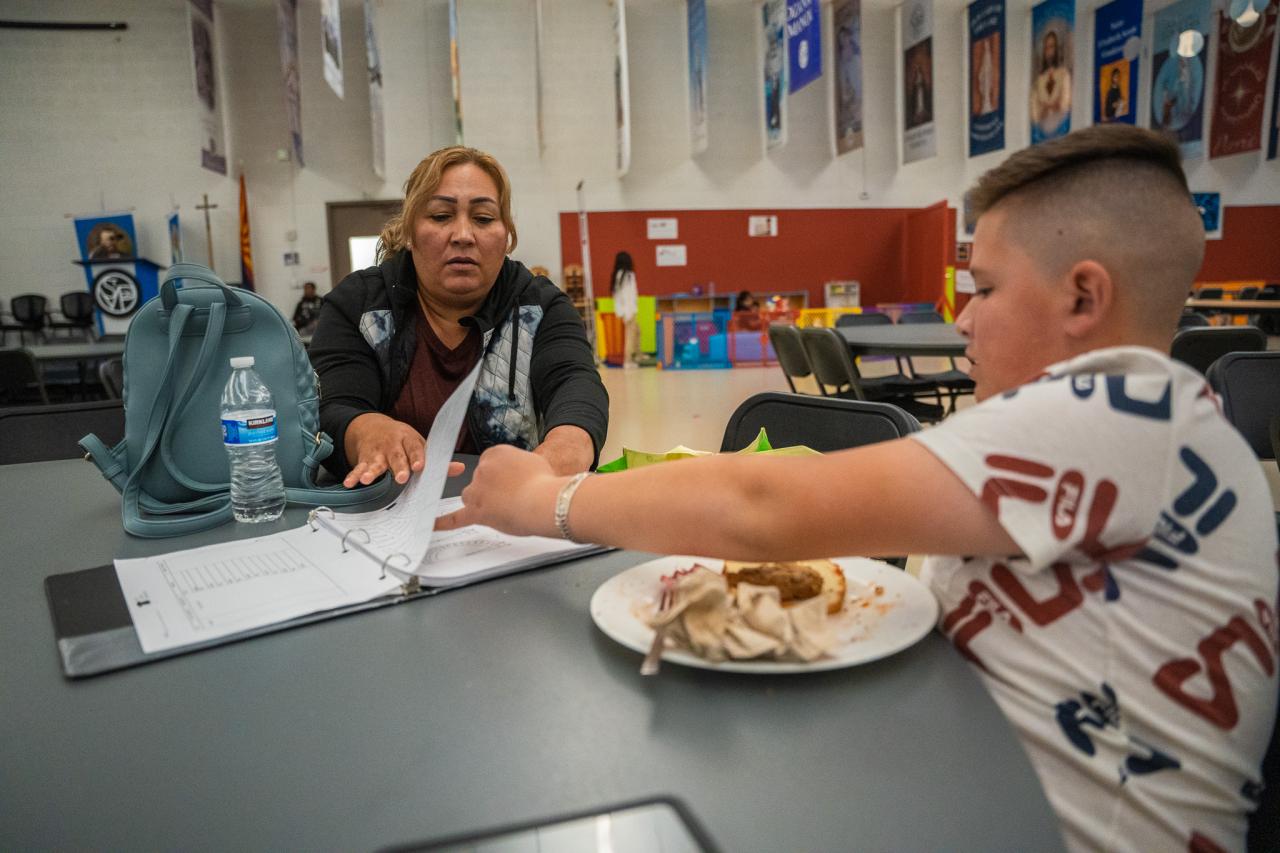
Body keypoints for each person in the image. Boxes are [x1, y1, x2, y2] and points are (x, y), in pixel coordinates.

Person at [439, 126, 1277, 852]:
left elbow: (767, 509)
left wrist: (545, 503)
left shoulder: (1116, 413)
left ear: (1084, 296)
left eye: (983, 288)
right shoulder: (1162, 419)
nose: (964, 320)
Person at [308, 145, 609, 488]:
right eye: (440, 216)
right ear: (409, 232)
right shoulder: (358, 304)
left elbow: (576, 383)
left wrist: (568, 445)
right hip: (383, 513)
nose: (463, 235)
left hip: (510, 508)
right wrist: (365, 430)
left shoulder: (541, 307)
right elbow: (331, 408)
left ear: (506, 235)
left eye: (483, 219)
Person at [1030, 30, 1071, 137]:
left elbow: (1065, 106)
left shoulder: (1064, 74)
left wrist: (1052, 106)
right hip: (1043, 129)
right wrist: (1045, 108)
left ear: (1057, 48)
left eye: (1052, 46)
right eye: (1046, 48)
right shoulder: (1039, 80)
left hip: (1060, 127)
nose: (1049, 52)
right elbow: (1035, 115)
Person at [609, 252, 640, 368]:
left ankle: (638, 354)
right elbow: (628, 295)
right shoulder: (628, 275)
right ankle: (628, 361)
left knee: (637, 331)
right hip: (629, 310)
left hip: (624, 309)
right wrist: (629, 313)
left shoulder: (618, 275)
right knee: (630, 336)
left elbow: (618, 295)